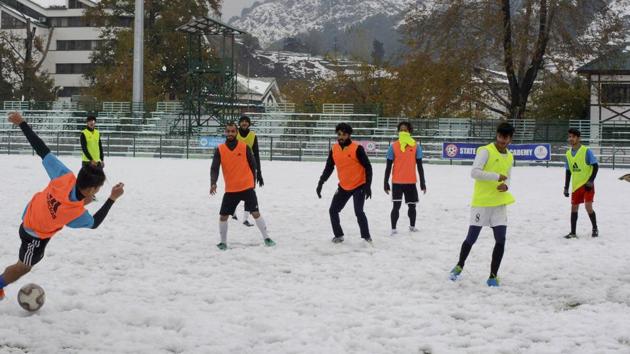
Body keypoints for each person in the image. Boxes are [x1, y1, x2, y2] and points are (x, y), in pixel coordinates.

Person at [0, 112, 124, 300]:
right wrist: (112, 199)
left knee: (35, 256)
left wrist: (22, 123)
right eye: (98, 187)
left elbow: (42, 149)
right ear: (90, 189)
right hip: (34, 236)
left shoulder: (64, 176)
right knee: (23, 267)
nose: (99, 189)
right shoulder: (76, 214)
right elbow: (94, 223)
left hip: (29, 215)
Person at [449, 122, 516, 287]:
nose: (502, 140)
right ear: (497, 135)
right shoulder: (485, 151)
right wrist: (495, 177)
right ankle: (459, 265)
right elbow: (474, 172)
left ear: (510, 139)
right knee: (472, 238)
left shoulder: (509, 156)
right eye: (500, 136)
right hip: (482, 202)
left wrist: (506, 185)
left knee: (501, 239)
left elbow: (507, 177)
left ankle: (493, 276)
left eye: (505, 138)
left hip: (499, 203)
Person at [210, 122, 275, 250]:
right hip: (231, 189)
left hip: (246, 187)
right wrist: (213, 182)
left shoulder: (245, 147)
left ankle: (267, 237)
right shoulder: (220, 149)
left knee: (255, 213)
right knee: (223, 216)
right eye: (228, 131)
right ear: (225, 132)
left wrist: (253, 182)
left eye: (232, 131)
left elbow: (253, 165)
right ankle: (223, 242)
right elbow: (214, 168)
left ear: (237, 132)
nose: (230, 133)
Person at [316, 123, 373, 244]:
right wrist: (321, 182)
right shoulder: (334, 149)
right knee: (333, 210)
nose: (341, 137)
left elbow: (368, 167)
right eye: (339, 134)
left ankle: (367, 237)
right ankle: (339, 235)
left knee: (359, 211)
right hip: (343, 186)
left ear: (349, 135)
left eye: (344, 134)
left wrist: (368, 185)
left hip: (359, 185)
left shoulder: (357, 148)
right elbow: (329, 167)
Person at [384, 121, 427, 235]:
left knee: (412, 207)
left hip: (411, 182)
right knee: (396, 206)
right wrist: (385, 182)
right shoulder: (393, 146)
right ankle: (393, 229)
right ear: (398, 132)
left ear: (409, 131)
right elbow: (388, 166)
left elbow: (420, 166)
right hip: (397, 182)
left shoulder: (416, 146)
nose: (403, 132)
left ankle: (412, 227)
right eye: (401, 130)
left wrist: (423, 182)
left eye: (405, 130)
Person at [563, 128, 599, 238]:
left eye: (573, 137)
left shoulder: (586, 151)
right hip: (576, 186)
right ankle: (573, 233)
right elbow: (568, 171)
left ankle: (595, 228)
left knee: (588, 207)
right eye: (569, 137)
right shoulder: (568, 154)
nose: (571, 139)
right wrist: (566, 187)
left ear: (578, 138)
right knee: (574, 208)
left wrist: (591, 181)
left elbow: (595, 166)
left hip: (587, 185)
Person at [233, 115, 264, 227]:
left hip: (250, 168)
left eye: (246, 121)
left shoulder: (253, 136)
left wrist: (259, 172)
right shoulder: (235, 134)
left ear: (249, 124)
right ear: (239, 123)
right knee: (235, 191)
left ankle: (245, 218)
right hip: (237, 168)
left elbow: (256, 155)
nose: (244, 123)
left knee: (249, 192)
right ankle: (233, 213)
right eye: (242, 121)